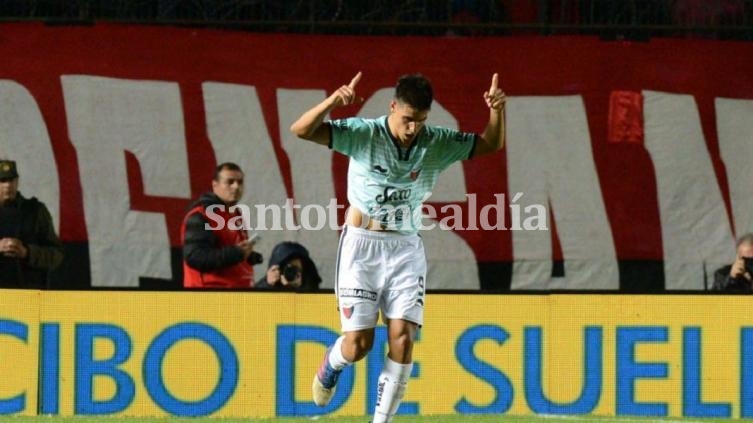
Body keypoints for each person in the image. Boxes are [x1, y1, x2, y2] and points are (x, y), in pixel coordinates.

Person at [290, 72, 505, 421]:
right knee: (359, 345)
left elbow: (490, 144)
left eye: (420, 121)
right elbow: (300, 130)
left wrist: (496, 111)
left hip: (405, 249)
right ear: (392, 107)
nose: (412, 129)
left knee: (403, 338)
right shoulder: (364, 134)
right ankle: (332, 365)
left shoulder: (435, 141)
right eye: (407, 119)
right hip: (362, 248)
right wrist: (332, 102)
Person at [181, 162, 262, 288]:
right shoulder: (201, 215)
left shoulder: (235, 213)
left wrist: (248, 256)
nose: (236, 187)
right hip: (209, 298)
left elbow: (228, 249)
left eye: (240, 182)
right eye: (230, 182)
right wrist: (236, 253)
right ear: (215, 185)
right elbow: (195, 257)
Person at [0, 159, 63, 288]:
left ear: (17, 182)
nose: (8, 185)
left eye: (11, 180)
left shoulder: (35, 211)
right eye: (2, 181)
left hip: (28, 297)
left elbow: (56, 255)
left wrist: (27, 252)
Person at [255, 241, 322, 292]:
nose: (292, 272)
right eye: (289, 269)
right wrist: (267, 285)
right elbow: (253, 305)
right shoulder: (269, 282)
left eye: (297, 269)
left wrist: (298, 290)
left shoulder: (308, 283)